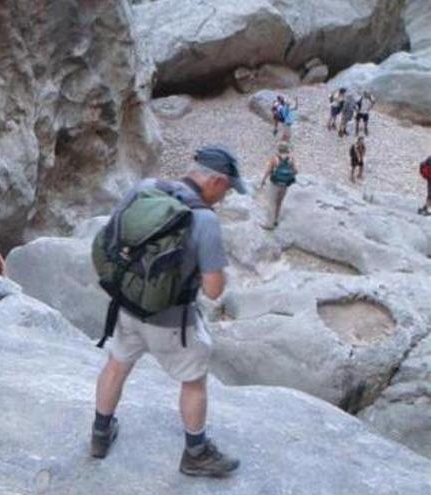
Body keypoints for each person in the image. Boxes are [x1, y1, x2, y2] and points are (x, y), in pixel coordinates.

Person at [91, 145, 243, 477]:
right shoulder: (204, 219)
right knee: (194, 381)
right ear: (216, 181)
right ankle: (196, 453)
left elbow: (112, 239)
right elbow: (214, 290)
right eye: (228, 188)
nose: (226, 195)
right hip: (172, 322)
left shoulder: (145, 189)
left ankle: (100, 435)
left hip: (126, 306)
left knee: (117, 365)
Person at [260, 142, 299, 229]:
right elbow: (296, 171)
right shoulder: (291, 159)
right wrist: (288, 175)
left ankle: (269, 224)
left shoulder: (274, 159)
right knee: (279, 203)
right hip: (285, 185)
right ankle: (276, 220)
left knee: (271, 203)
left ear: (278, 149)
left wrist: (263, 180)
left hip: (275, 183)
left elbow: (268, 170)